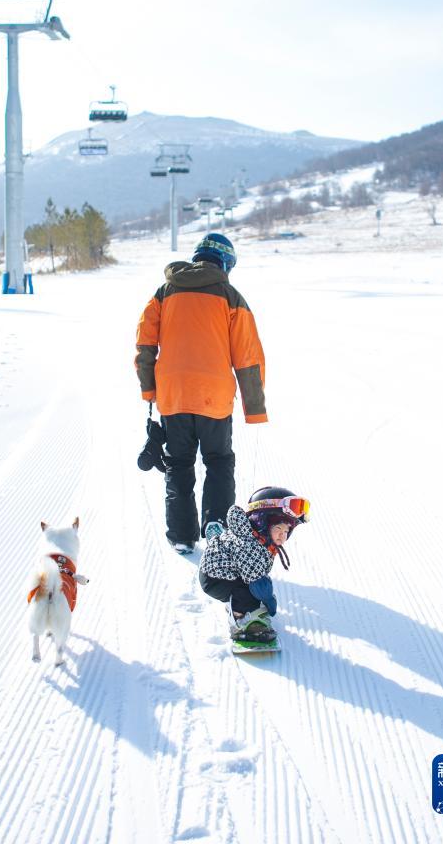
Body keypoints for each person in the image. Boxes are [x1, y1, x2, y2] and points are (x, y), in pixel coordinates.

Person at [135, 233, 267, 554]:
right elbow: (247, 357)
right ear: (224, 263)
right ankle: (218, 531)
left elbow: (144, 345)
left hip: (174, 396)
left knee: (178, 463)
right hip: (214, 398)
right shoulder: (230, 296)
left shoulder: (164, 293)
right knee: (219, 462)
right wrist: (253, 407)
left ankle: (181, 536)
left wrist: (150, 389)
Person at [199, 486, 310, 643]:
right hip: (214, 579)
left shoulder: (260, 539)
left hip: (224, 573)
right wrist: (268, 599)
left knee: (250, 592)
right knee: (249, 593)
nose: (282, 535)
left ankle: (239, 606)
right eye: (278, 528)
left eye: (286, 531)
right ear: (262, 523)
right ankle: (241, 623)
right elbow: (258, 582)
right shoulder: (251, 544)